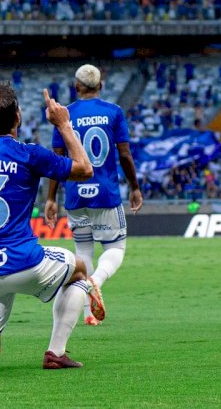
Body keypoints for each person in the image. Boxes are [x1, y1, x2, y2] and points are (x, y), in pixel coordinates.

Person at [0, 85, 103, 379]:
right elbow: (84, 169)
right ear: (17, 116)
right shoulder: (29, 154)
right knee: (80, 269)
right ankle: (56, 353)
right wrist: (63, 124)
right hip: (25, 263)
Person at [45, 64, 144, 326]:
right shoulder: (113, 112)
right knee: (115, 248)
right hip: (106, 193)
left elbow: (58, 159)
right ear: (100, 86)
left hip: (76, 196)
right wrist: (134, 186)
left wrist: (51, 198)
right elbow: (124, 154)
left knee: (83, 252)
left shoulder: (64, 115)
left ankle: (89, 314)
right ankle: (95, 282)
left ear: (76, 86)